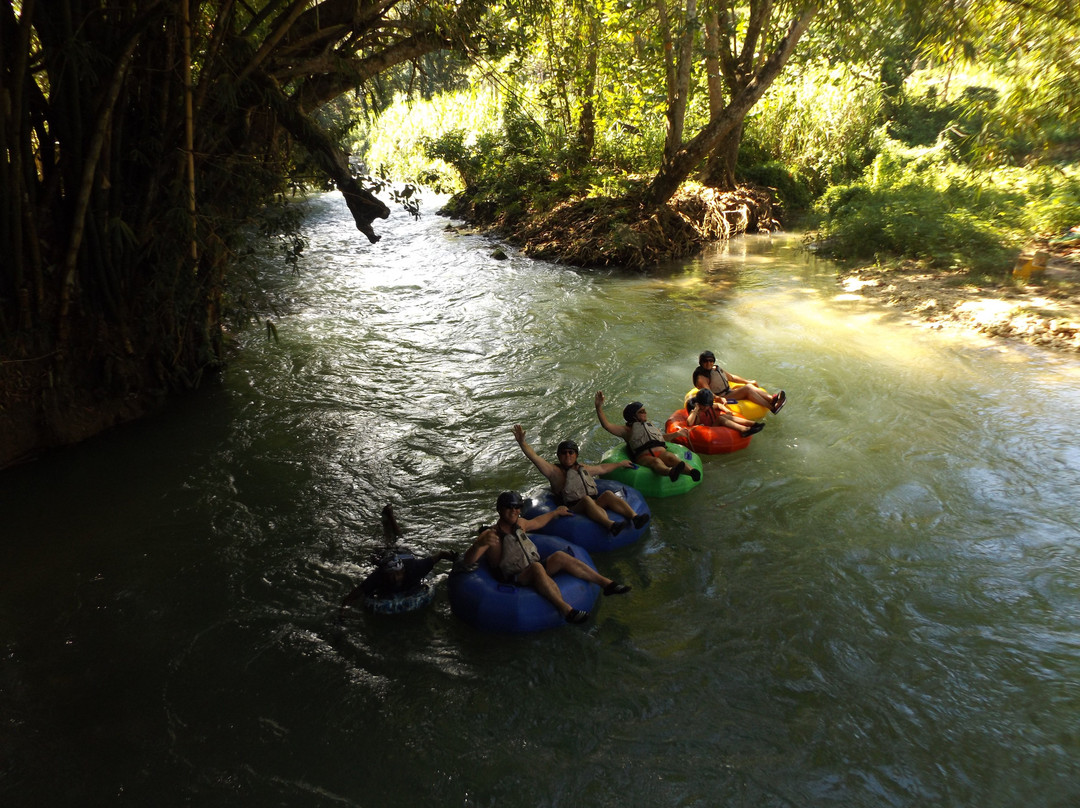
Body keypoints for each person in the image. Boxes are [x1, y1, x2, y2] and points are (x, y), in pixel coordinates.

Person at [461, 491, 631, 624]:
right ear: (500, 510)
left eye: (517, 507)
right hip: (513, 577)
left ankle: (606, 583)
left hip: (532, 565)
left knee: (559, 556)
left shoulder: (520, 524)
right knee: (537, 568)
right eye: (509, 508)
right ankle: (566, 610)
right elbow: (468, 561)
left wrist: (556, 512)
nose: (515, 511)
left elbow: (538, 522)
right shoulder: (491, 535)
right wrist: (477, 545)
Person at [511, 424, 650, 536]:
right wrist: (522, 443)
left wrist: (620, 464)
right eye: (564, 453)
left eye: (571, 452)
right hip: (574, 508)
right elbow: (535, 458)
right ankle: (611, 525)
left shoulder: (582, 468)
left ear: (576, 455)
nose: (567, 456)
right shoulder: (554, 472)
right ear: (559, 456)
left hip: (594, 503)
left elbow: (602, 468)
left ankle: (635, 517)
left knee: (607, 494)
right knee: (586, 500)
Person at [594, 391, 701, 482]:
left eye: (644, 410)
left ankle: (691, 472)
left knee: (671, 457)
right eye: (641, 411)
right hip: (644, 457)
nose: (645, 412)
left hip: (661, 452)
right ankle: (670, 472)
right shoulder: (626, 430)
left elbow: (660, 439)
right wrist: (598, 407)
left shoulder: (650, 426)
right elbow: (606, 425)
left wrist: (676, 434)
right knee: (656, 462)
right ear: (633, 416)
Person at [697, 350, 786, 413]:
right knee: (747, 389)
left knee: (750, 386)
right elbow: (708, 392)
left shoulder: (716, 369)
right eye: (705, 361)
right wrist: (718, 398)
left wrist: (748, 382)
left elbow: (731, 377)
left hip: (728, 392)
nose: (708, 363)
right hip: (721, 397)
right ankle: (772, 408)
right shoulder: (702, 377)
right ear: (701, 362)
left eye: (710, 360)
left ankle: (772, 399)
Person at [687, 388, 765, 436]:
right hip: (706, 431)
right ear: (699, 404)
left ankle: (753, 424)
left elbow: (717, 405)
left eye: (707, 405)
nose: (706, 407)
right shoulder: (696, 411)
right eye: (704, 405)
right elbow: (689, 423)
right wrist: (696, 409)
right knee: (720, 419)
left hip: (712, 426)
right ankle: (744, 430)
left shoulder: (708, 406)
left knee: (725, 416)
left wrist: (726, 410)